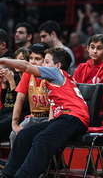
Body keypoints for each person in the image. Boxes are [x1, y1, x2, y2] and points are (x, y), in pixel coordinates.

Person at [0, 47, 89, 178]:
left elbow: (25, 66)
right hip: (64, 118)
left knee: (41, 140)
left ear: (57, 65)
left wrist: (3, 60)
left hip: (74, 117)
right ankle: (7, 175)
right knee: (24, 135)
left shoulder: (55, 72)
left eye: (46, 62)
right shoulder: (56, 79)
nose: (42, 65)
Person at [9, 43, 50, 148]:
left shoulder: (51, 75)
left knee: (40, 138)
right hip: (33, 118)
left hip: (49, 118)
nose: (32, 61)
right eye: (31, 58)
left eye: (37, 59)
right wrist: (15, 124)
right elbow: (19, 99)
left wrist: (51, 122)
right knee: (14, 135)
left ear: (45, 61)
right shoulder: (27, 74)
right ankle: (15, 164)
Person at [73, 34, 103, 115]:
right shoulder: (80, 67)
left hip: (96, 113)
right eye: (92, 47)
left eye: (99, 48)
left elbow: (101, 100)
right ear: (88, 48)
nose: (95, 51)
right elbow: (72, 91)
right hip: (77, 109)